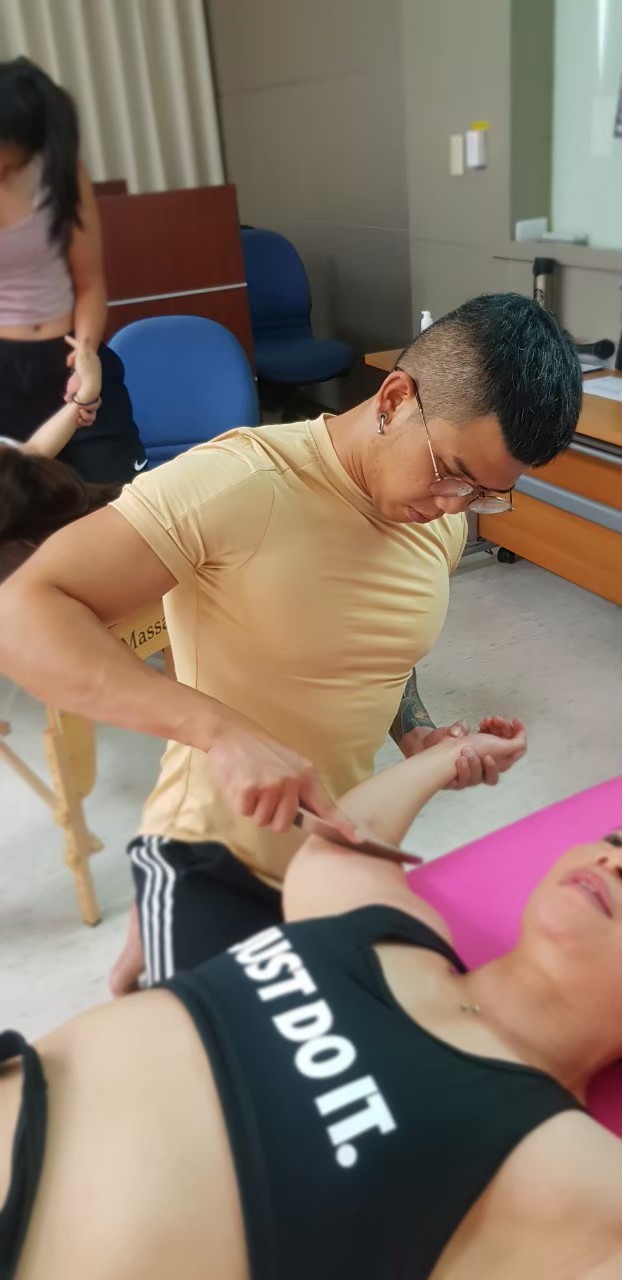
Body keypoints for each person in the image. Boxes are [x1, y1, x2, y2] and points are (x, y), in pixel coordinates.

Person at [0, 293, 583, 990]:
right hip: (214, 853)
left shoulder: (439, 520)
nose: (455, 505)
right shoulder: (238, 483)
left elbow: (374, 638)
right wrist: (222, 733)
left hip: (334, 851)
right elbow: (22, 612)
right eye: (453, 472)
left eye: (485, 493)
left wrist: (417, 734)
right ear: (395, 398)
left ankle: (155, 949)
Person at [1, 724, 621, 1280]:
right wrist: (451, 756)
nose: (614, 862)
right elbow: (346, 839)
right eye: (616, 841)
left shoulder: (579, 1182)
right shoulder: (394, 933)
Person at [0, 56, 145, 483]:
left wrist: (85, 355)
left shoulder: (60, 174)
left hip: (69, 353)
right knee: (19, 506)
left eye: (12, 165)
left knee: (113, 498)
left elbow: (90, 282)